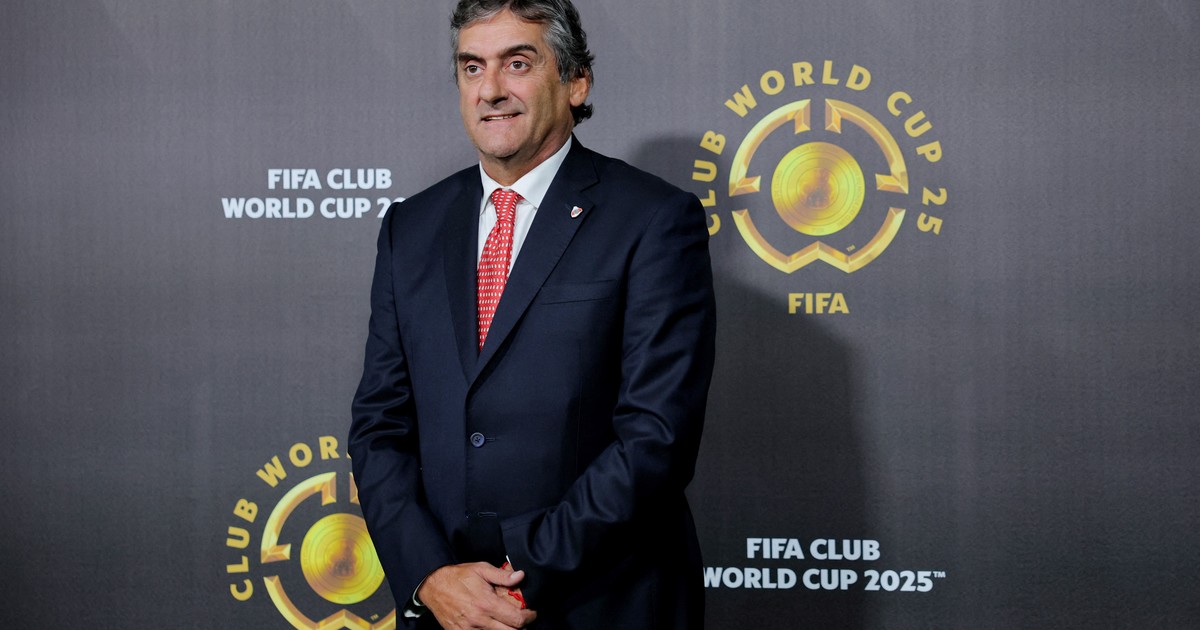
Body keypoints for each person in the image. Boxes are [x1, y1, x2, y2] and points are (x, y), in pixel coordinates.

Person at [348, 1, 716, 627]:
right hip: (449, 606)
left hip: (602, 602)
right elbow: (379, 425)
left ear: (576, 82)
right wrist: (430, 575)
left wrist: (514, 578)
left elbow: (656, 438)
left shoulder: (653, 219)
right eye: (472, 67)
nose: (490, 89)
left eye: (517, 63)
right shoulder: (410, 227)